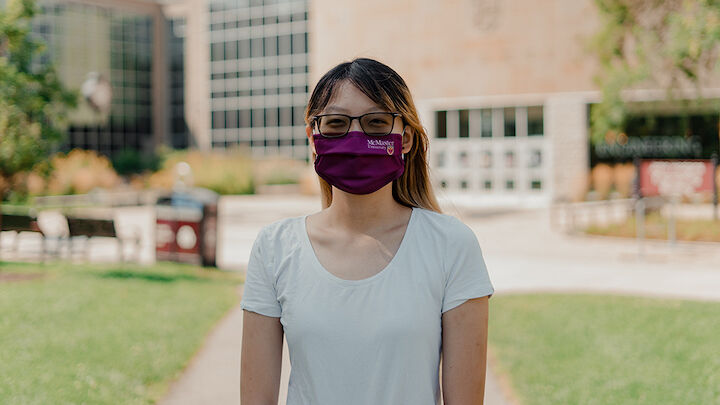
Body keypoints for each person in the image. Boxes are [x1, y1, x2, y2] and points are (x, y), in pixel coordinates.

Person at [240, 57, 495, 405]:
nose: (356, 137)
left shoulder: (451, 245)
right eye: (336, 123)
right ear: (314, 139)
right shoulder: (274, 248)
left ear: (404, 139)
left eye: (376, 122)